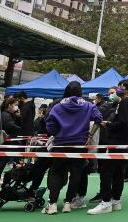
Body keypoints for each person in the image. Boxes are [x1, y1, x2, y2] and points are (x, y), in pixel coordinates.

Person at [43, 81, 102, 214]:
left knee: (56, 172)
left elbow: (50, 125)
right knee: (76, 174)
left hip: (60, 143)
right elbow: (98, 118)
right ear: (80, 92)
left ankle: (52, 204)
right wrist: (90, 135)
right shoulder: (88, 105)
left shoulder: (57, 107)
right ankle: (68, 203)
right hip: (79, 145)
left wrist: (57, 132)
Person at [88, 78, 128, 215]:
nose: (118, 88)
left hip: (116, 142)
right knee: (117, 172)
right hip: (120, 142)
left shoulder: (126, 103)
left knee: (106, 171)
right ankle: (115, 200)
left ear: (127, 89)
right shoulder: (124, 103)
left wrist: (108, 124)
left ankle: (106, 201)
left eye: (121, 86)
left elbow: (124, 123)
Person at [0, 96, 22, 185]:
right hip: (6, 139)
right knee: (2, 159)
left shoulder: (9, 114)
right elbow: (10, 126)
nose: (17, 107)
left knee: (4, 159)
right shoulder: (6, 114)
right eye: (15, 105)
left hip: (9, 139)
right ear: (10, 105)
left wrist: (18, 117)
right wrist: (20, 129)